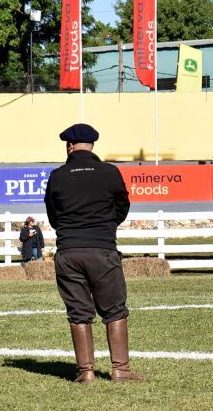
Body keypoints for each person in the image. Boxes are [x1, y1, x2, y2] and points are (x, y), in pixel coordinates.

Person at [44, 123, 142, 383]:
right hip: (102, 248)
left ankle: (86, 372)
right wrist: (106, 226)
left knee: (78, 312)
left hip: (69, 250)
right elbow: (122, 206)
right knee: (114, 310)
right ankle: (120, 369)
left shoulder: (57, 175)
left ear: (69, 146)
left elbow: (52, 215)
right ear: (92, 145)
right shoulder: (109, 172)